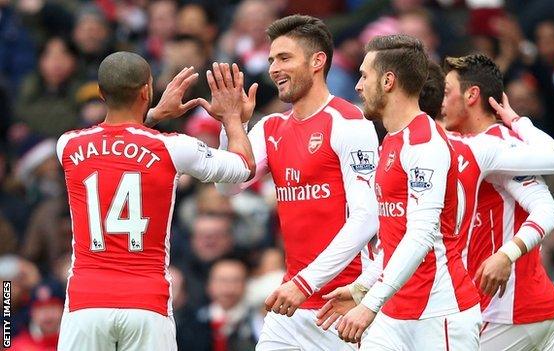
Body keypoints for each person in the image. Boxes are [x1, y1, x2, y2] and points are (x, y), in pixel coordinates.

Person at [56, 52, 255, 350]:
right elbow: (243, 167)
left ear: (100, 93)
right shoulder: (172, 148)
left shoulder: (67, 145)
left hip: (86, 303)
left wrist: (151, 116)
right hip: (147, 303)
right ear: (147, 90)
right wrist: (231, 117)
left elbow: (113, 141)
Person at [213, 14, 379, 350]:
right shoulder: (271, 127)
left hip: (343, 304)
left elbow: (367, 217)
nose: (274, 68)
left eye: (285, 58)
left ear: (318, 61)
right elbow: (227, 186)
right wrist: (232, 126)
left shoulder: (350, 123)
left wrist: (305, 283)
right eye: (272, 59)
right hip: (290, 305)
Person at [327, 34, 482, 350]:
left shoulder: (424, 144)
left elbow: (421, 236)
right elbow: (393, 238)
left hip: (440, 315)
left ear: (387, 81)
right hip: (395, 311)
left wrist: (370, 303)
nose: (358, 86)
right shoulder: (392, 140)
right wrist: (362, 287)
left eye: (364, 76)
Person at [442, 54, 554, 351]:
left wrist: (505, 255)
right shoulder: (472, 144)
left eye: (447, 93)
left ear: (472, 95)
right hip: (519, 310)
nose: (442, 102)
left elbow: (548, 208)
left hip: (510, 312)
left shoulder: (498, 145)